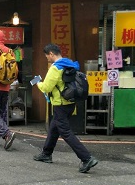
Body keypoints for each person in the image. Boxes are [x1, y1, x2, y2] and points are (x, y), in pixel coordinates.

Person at [33, 43, 99, 172]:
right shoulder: (69, 63)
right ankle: (46, 154)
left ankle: (87, 158)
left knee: (66, 132)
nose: (47, 58)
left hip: (60, 105)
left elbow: (46, 87)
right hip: (70, 103)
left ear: (51, 54)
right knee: (54, 128)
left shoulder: (55, 68)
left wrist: (38, 83)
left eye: (47, 56)